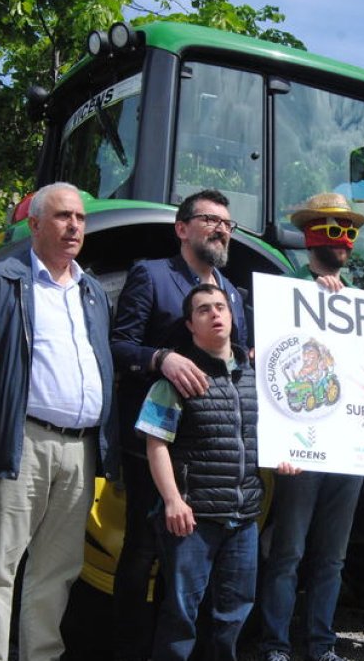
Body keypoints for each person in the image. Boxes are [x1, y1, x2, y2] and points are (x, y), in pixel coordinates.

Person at [0, 182, 119, 661]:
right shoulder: (1, 281)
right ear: (34, 224)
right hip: (23, 439)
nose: (74, 226)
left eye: (80, 218)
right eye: (62, 217)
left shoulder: (92, 291)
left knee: (58, 569)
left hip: (79, 448)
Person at [110, 189, 248, 659]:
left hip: (211, 460)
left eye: (227, 222)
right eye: (210, 219)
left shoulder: (233, 294)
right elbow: (118, 345)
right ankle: (128, 649)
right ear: (182, 228)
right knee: (143, 554)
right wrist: (160, 358)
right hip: (157, 445)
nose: (221, 228)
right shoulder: (151, 275)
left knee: (204, 579)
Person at [138, 283, 300, 660]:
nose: (215, 314)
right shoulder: (177, 380)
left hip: (244, 519)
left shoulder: (258, 378)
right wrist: (173, 501)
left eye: (221, 307)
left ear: (232, 316)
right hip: (193, 520)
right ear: (191, 325)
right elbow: (155, 442)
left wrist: (286, 456)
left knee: (234, 615)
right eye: (204, 310)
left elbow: (275, 434)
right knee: (181, 616)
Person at [258, 192, 364, 661]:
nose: (342, 239)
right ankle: (274, 644)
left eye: (349, 230)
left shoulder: (363, 303)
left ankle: (322, 645)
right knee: (289, 552)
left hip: (350, 451)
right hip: (301, 449)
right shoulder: (283, 290)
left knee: (333, 556)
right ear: (310, 237)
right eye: (332, 229)